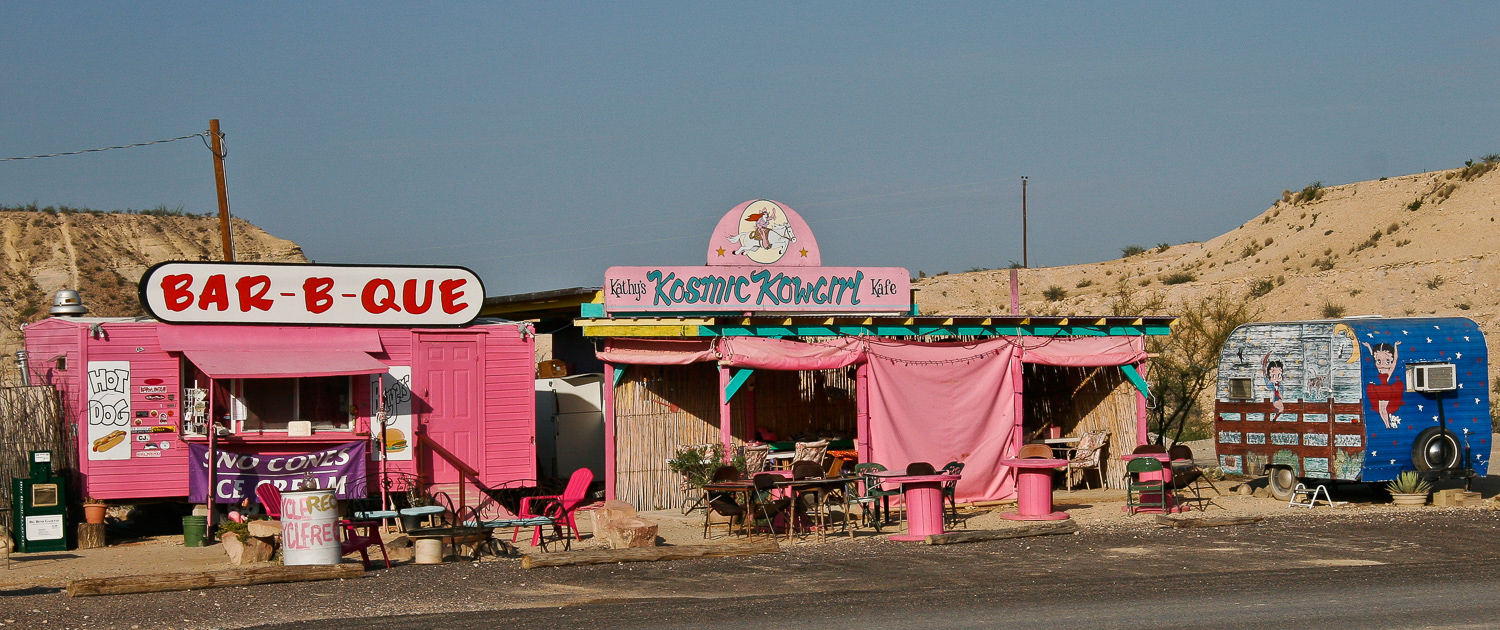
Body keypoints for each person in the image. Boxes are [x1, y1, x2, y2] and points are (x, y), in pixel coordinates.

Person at [1362, 341, 1404, 428]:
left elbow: (1395, 359)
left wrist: (1395, 346)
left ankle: (1388, 425)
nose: (1382, 365)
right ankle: (1387, 424)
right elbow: (1373, 355)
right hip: (1380, 390)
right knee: (1381, 409)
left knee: (1383, 409)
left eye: (1387, 361)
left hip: (1386, 391)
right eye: (1379, 361)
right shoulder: (1380, 370)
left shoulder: (1388, 372)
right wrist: (1369, 346)